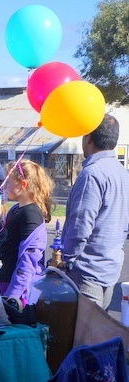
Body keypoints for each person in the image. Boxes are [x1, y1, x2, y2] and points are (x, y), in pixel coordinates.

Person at [62, 114, 129, 309]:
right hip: (110, 268)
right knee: (99, 333)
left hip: (87, 272)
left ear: (89, 137)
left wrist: (67, 260)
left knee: (84, 335)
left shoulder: (92, 174)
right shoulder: (122, 173)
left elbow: (80, 227)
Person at [0, 160, 54, 306]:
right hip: (2, 281)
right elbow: (3, 241)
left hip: (13, 288)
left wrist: (12, 296)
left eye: (8, 182)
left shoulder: (31, 214)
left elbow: (29, 258)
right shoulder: (16, 209)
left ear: (23, 185)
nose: (4, 186)